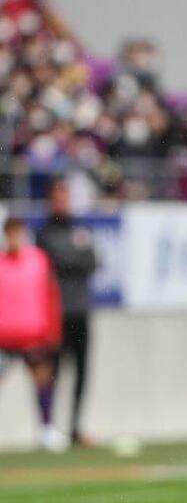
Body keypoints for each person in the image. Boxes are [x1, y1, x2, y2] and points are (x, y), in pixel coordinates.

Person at [35, 177, 97, 445]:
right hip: (56, 314)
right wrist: (74, 256)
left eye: (67, 197)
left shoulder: (79, 229)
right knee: (54, 371)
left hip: (80, 311)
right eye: (59, 197)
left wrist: (70, 258)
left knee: (82, 370)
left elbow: (92, 261)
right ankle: (51, 428)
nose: (64, 202)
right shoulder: (44, 233)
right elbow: (52, 262)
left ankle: (75, 427)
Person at [0, 218, 65, 451]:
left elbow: (51, 295)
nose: (15, 238)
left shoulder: (38, 260)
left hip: (32, 335)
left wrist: (52, 331)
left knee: (43, 380)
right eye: (11, 233)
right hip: (4, 337)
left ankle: (46, 429)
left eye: (18, 233)